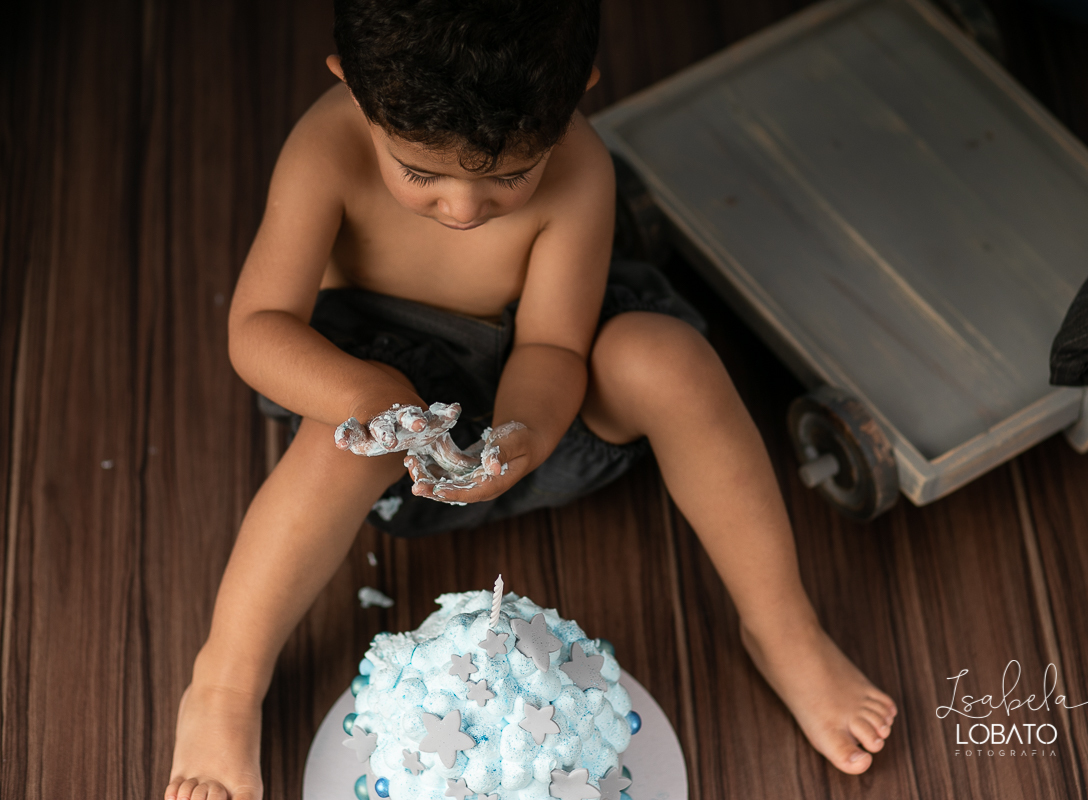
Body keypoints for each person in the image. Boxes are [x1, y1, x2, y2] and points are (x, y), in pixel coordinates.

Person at [165, 2, 896, 798]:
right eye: (421, 174)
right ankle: (225, 686)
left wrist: (525, 430)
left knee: (672, 361)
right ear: (352, 85)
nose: (464, 209)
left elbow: (552, 347)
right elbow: (258, 329)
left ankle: (784, 628)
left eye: (512, 175)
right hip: (383, 397)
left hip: (539, 379)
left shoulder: (581, 165)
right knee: (335, 445)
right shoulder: (325, 149)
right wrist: (363, 391)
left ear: (578, 94)